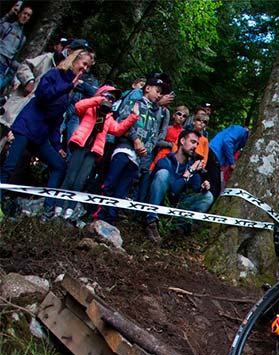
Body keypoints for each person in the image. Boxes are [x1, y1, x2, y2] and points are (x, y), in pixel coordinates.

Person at [1, 45, 94, 218]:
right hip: (26, 126)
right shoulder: (54, 75)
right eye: (84, 63)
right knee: (9, 166)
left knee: (58, 165)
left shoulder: (69, 89)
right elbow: (43, 95)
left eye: (88, 67)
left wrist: (57, 145)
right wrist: (66, 86)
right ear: (74, 60)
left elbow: (57, 120)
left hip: (41, 136)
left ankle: (47, 210)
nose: (84, 68)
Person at [97, 72, 168, 226]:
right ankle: (99, 216)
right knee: (110, 183)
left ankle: (110, 220)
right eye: (157, 91)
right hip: (123, 149)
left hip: (138, 158)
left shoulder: (156, 114)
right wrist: (135, 140)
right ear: (147, 88)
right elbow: (123, 121)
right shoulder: (135, 102)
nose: (158, 95)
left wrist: (145, 150)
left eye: (161, 93)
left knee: (122, 190)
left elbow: (154, 136)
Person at [59, 86, 138, 221]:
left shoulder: (108, 118)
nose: (110, 101)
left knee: (80, 181)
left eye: (113, 99)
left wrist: (133, 117)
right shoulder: (89, 108)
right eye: (108, 96)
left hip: (93, 151)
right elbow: (78, 106)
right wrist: (98, 100)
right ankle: (58, 206)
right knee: (70, 177)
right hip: (80, 145)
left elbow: (118, 129)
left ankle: (70, 210)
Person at [143, 128, 214, 243]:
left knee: (207, 196)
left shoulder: (191, 165)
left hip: (176, 207)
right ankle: (151, 222)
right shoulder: (165, 161)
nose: (195, 146)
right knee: (163, 174)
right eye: (192, 142)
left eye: (197, 143)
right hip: (161, 203)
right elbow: (173, 190)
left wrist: (203, 187)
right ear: (182, 141)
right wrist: (189, 173)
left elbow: (195, 189)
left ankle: (179, 228)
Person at [0, 35, 66, 132]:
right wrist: (29, 81)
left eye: (66, 47)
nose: (63, 49)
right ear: (56, 46)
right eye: (61, 45)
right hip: (16, 107)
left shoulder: (64, 73)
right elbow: (24, 67)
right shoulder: (46, 58)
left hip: (30, 120)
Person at [0, 2, 31, 91]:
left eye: (28, 15)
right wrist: (9, 14)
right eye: (24, 13)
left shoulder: (23, 38)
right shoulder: (7, 26)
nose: (25, 16)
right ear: (19, 14)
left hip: (4, 68)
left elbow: (14, 58)